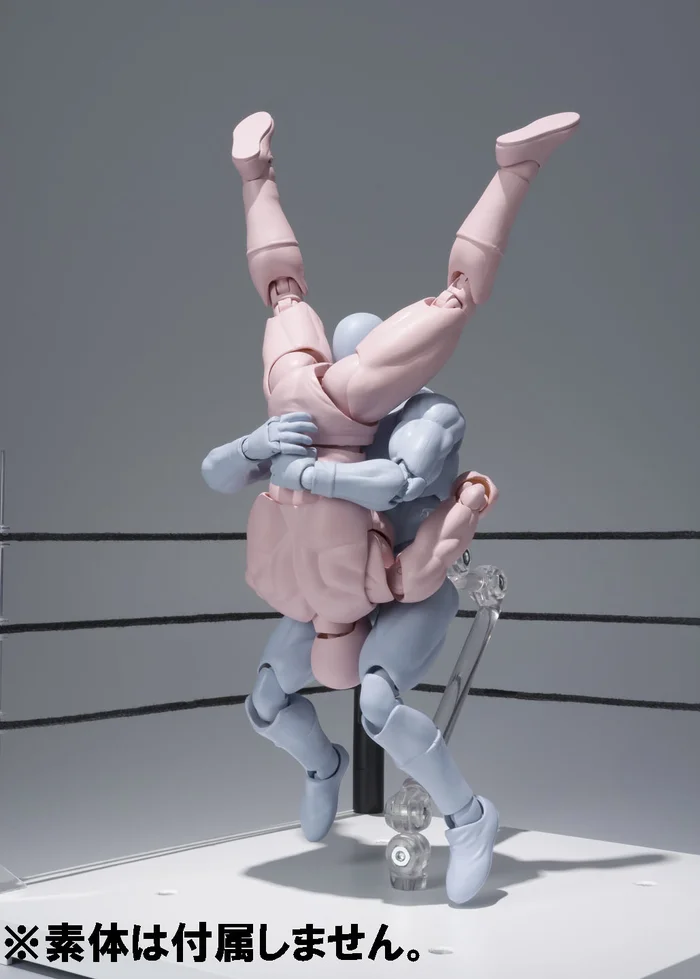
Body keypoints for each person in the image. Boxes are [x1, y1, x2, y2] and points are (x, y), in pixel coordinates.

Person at [228, 108, 579, 692]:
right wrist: (265, 454)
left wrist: (471, 498)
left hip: (338, 422)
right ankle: (254, 176)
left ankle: (516, 171)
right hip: (293, 411)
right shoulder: (275, 588)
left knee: (456, 299)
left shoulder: (376, 587)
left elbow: (421, 517)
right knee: (284, 297)